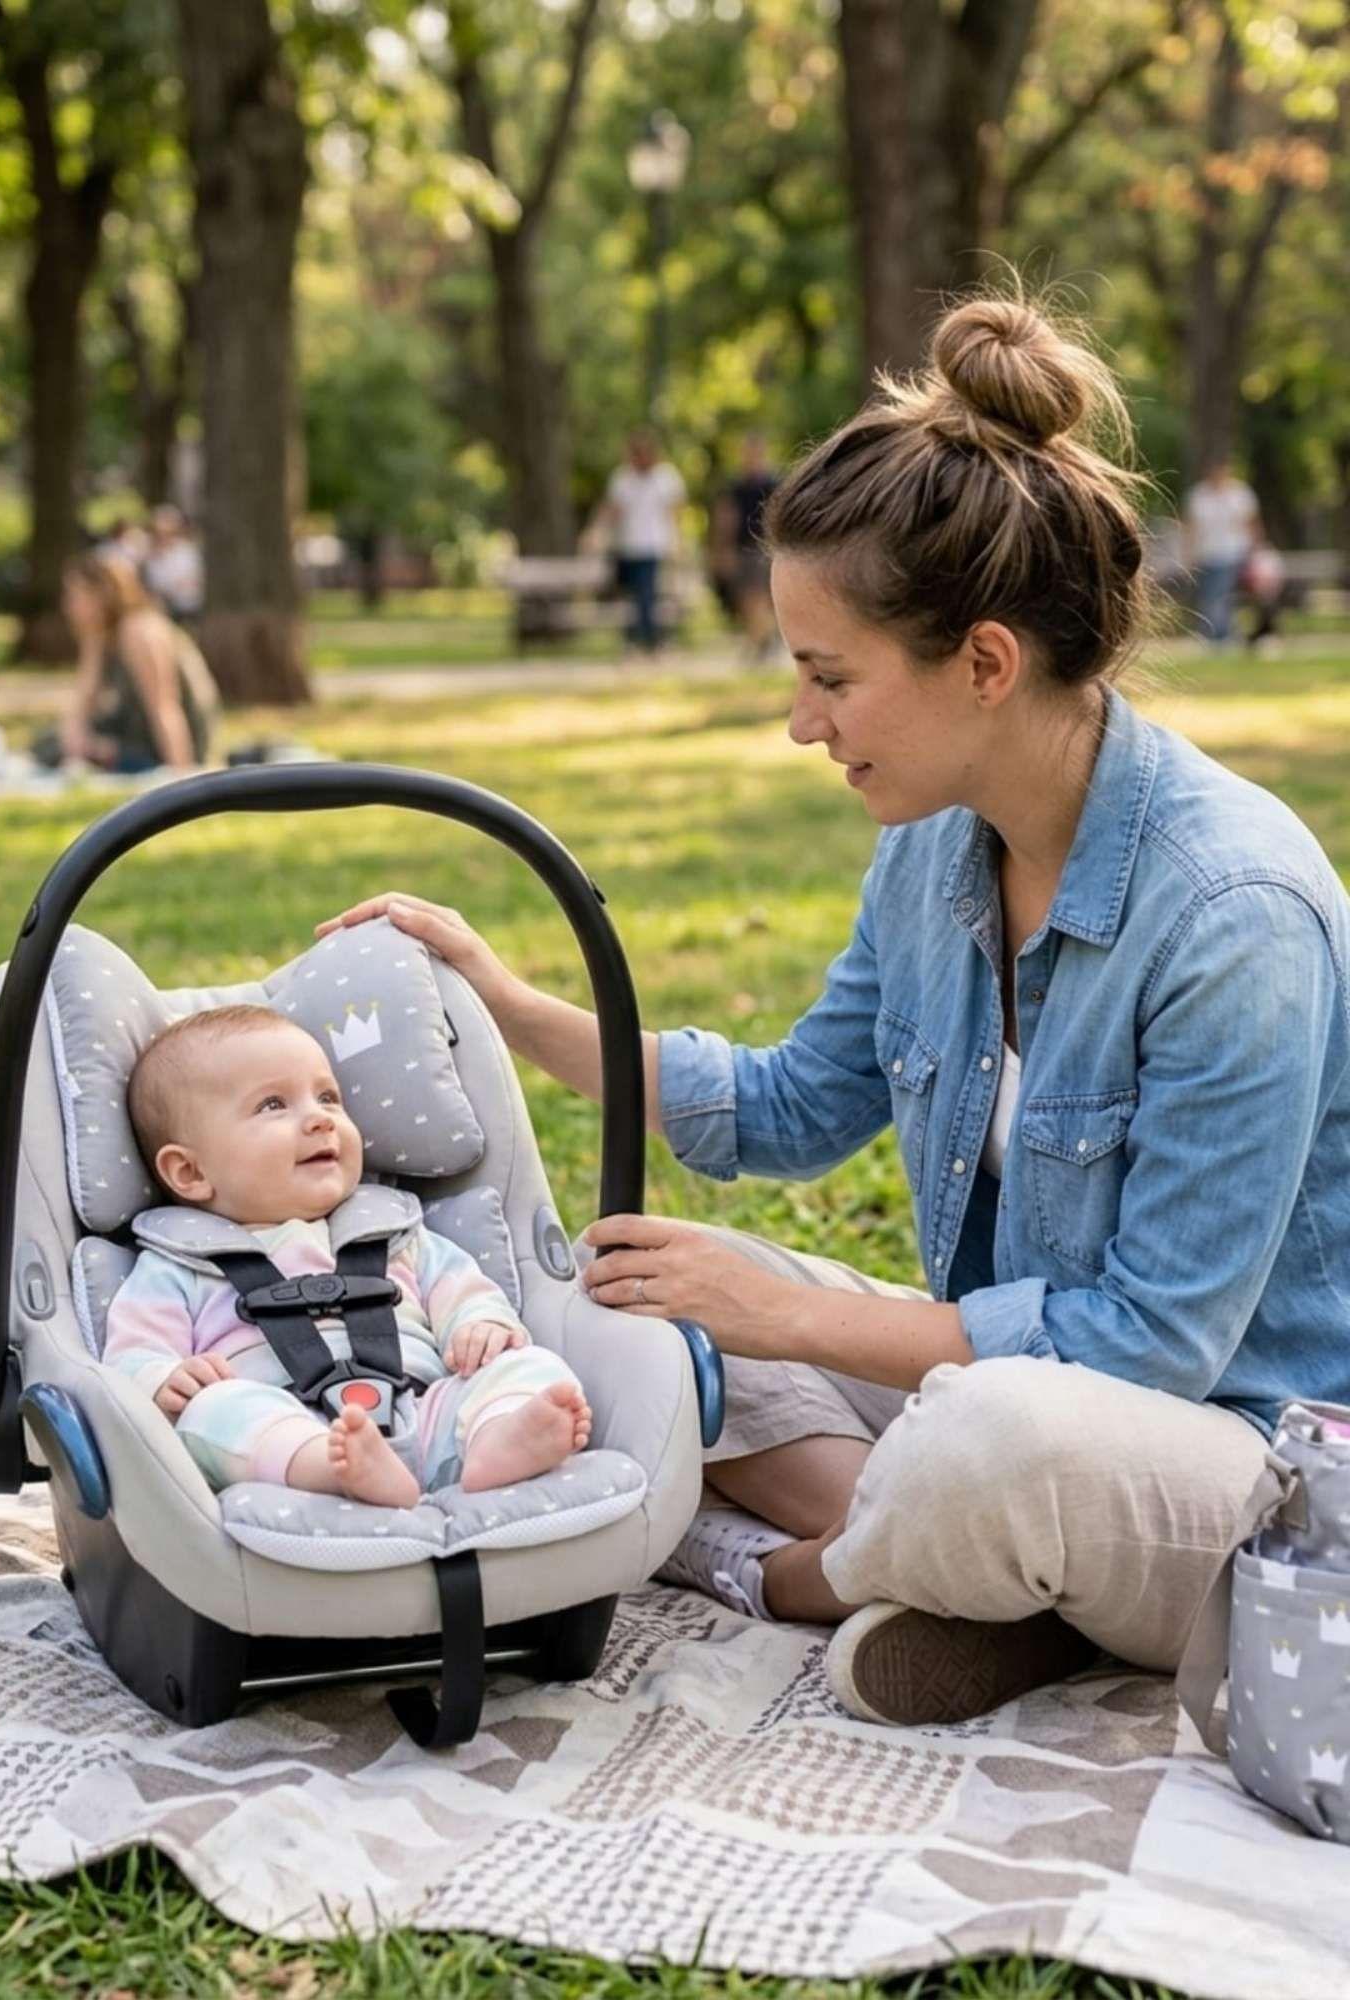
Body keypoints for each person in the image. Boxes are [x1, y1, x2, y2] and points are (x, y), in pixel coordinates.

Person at [316, 293, 1350, 1729]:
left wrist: (801, 1317)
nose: (803, 723)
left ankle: (797, 1575)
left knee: (986, 1437)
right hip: (1008, 1404)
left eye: (830, 678)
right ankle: (988, 1594)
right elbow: (790, 1106)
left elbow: (1148, 1348)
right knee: (641, 1299)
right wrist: (506, 1004)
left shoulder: (1236, 917)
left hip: (1245, 1464)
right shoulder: (935, 847)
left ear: (986, 664)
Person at [103, 1006, 593, 1505]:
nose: (319, 1119)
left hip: (427, 1411)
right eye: (273, 1105)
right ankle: (332, 1468)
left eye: (328, 1098)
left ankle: (497, 1439)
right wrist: (163, 1378)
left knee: (527, 1363)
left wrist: (481, 1324)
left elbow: (462, 1289)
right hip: (282, 1432)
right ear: (189, 1172)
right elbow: (130, 1357)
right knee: (214, 1411)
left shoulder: (391, 1233)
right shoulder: (178, 1265)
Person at [36, 554, 218, 773]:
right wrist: (77, 740)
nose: (68, 606)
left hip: (165, 741)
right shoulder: (102, 635)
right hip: (134, 732)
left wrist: (182, 773)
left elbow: (165, 706)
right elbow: (83, 702)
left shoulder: (140, 631)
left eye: (75, 596)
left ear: (102, 595)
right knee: (47, 743)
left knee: (54, 749)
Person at [590, 429, 686, 654]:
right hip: (627, 546)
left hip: (653, 545)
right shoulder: (622, 478)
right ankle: (639, 638)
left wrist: (677, 540)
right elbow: (612, 509)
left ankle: (648, 639)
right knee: (632, 594)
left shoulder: (666, 477)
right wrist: (597, 532)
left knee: (647, 593)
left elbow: (675, 511)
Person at [711, 435, 780, 660]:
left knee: (757, 597)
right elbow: (726, 518)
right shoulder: (736, 487)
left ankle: (758, 644)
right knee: (746, 600)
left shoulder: (772, 483)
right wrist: (722, 548)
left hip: (763, 547)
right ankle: (762, 640)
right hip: (742, 547)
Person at [1182, 458, 1259, 646]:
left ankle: (1219, 634)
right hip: (1206, 553)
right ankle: (1214, 631)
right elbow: (1191, 528)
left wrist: (1255, 550)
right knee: (1210, 594)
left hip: (1232, 552)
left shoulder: (1239, 494)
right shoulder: (1199, 495)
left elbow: (1251, 523)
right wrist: (1188, 554)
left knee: (1220, 593)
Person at [141, 505, 204, 624]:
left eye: (166, 532)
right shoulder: (148, 555)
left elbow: (190, 582)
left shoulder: (186, 551)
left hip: (185, 609)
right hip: (158, 610)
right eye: (156, 532)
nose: (161, 536)